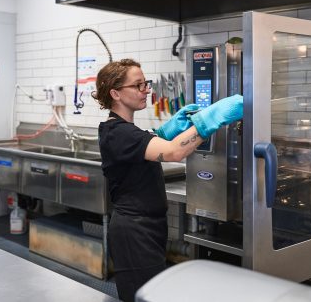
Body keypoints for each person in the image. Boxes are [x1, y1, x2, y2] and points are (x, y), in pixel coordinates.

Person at [92, 58, 243, 302]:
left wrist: (165, 131)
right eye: (138, 85)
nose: (146, 90)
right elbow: (174, 152)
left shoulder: (125, 130)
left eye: (146, 83)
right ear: (115, 93)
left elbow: (147, 144)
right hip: (134, 232)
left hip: (146, 228)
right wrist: (212, 118)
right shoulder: (118, 133)